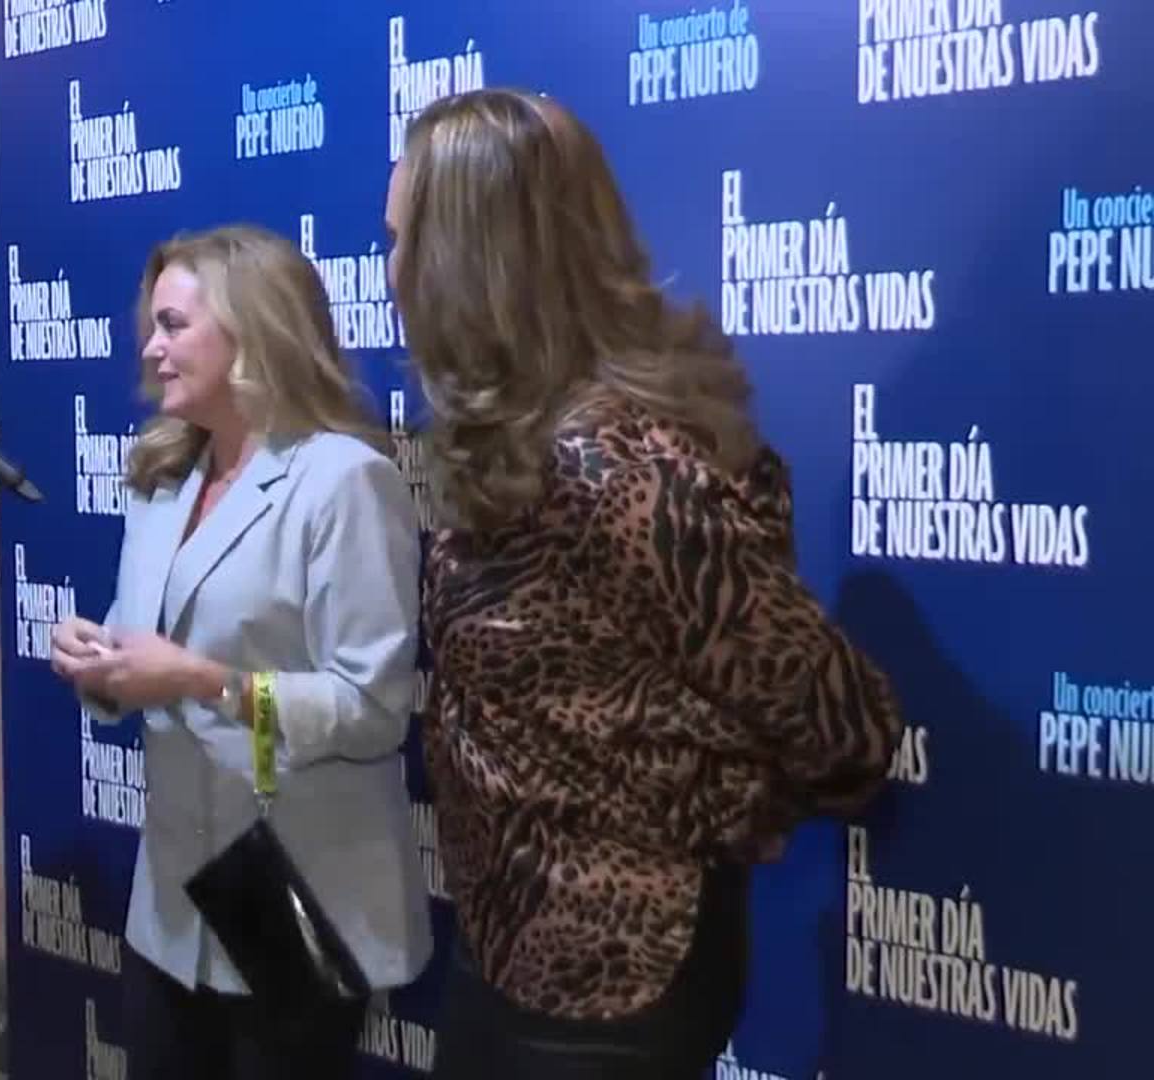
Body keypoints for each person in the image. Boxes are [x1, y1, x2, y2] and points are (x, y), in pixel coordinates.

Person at [384, 89, 903, 1078]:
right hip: (508, 953)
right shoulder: (517, 444)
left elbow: (843, 726)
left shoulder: (614, 470)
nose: (393, 269)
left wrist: (697, 795)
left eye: (404, 239)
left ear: (466, 259)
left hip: (613, 985)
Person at [49, 225, 431, 1079]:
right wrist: (98, 660)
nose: (151, 348)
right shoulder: (162, 480)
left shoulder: (342, 481)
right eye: (151, 326)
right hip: (170, 900)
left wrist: (199, 680)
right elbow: (142, 644)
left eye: (173, 325)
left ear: (254, 328)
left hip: (293, 891)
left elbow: (372, 711)